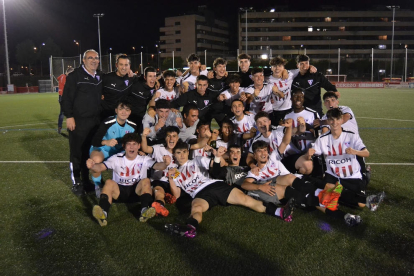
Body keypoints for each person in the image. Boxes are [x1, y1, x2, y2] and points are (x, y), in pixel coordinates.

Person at [164, 140, 295, 238]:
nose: (182, 155)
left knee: (245, 199)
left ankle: (280, 212)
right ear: (174, 154)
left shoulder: (197, 160)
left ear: (188, 152)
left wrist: (216, 156)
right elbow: (176, 194)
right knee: (196, 208)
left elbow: (214, 165)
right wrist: (170, 178)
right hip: (199, 194)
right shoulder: (174, 172)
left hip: (215, 186)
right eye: (178, 153)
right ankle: (190, 228)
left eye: (184, 152)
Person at [243, 140, 363, 226]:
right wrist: (260, 187)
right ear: (254, 155)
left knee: (316, 196)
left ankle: (345, 216)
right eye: (259, 151)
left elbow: (285, 141)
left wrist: (289, 126)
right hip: (283, 190)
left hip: (297, 183)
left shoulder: (273, 158)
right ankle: (324, 196)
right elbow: (245, 184)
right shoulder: (255, 171)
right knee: (297, 184)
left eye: (265, 150)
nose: (263, 153)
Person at [307, 108, 385, 211]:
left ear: (341, 120)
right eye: (331, 119)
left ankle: (365, 178)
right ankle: (353, 195)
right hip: (333, 175)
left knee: (360, 204)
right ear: (328, 121)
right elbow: (310, 154)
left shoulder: (351, 136)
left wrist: (355, 152)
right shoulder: (322, 139)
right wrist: (308, 155)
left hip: (352, 175)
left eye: (337, 119)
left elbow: (366, 153)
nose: (334, 123)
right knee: (327, 196)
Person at [87, 133, 171, 226]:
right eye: (129, 144)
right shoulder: (116, 158)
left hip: (137, 193)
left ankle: (144, 211)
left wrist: (165, 163)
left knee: (146, 181)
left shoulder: (144, 159)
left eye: (134, 144)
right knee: (109, 182)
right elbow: (100, 167)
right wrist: (93, 166)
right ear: (124, 146)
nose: (132, 147)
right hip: (119, 192)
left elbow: (158, 166)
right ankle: (103, 213)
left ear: (139, 146)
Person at [61, 49, 103, 196]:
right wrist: (69, 116)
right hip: (78, 122)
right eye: (90, 58)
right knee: (77, 153)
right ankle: (77, 182)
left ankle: (86, 181)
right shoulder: (75, 76)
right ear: (83, 60)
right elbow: (66, 98)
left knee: (89, 153)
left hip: (95, 122)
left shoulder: (99, 76)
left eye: (96, 58)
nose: (94, 60)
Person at [89, 100, 137, 197]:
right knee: (95, 160)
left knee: (133, 158)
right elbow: (94, 140)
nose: (124, 112)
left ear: (130, 112)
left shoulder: (133, 126)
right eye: (121, 109)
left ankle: (125, 185)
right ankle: (98, 185)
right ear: (116, 110)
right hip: (103, 149)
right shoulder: (108, 122)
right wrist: (106, 142)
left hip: (120, 152)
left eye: (127, 110)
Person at [267, 56, 316, 126]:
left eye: (280, 66)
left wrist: (311, 66)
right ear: (271, 68)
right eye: (274, 66)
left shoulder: (290, 74)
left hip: (289, 109)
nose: (277, 68)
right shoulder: (267, 80)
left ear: (283, 67)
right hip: (274, 110)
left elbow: (302, 68)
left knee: (290, 129)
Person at [282, 89, 320, 175]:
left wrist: (309, 127)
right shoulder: (287, 115)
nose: (298, 99)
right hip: (293, 152)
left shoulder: (312, 113)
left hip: (310, 153)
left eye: (301, 97)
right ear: (291, 98)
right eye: (295, 96)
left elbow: (318, 134)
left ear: (304, 99)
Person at [100, 54, 135, 121]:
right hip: (107, 115)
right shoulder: (106, 78)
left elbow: (143, 80)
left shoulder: (131, 78)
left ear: (129, 66)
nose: (123, 68)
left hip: (122, 116)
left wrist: (156, 81)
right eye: (121, 64)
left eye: (126, 65)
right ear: (116, 65)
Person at [128, 67, 157, 132]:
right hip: (129, 116)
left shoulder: (155, 87)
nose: (152, 79)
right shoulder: (136, 84)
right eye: (150, 76)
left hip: (141, 118)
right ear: (145, 77)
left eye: (154, 76)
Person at [57, 66, 74, 134]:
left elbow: (58, 78)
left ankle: (59, 127)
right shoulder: (67, 78)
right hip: (66, 97)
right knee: (69, 113)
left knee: (62, 113)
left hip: (60, 96)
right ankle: (69, 127)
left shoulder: (61, 76)